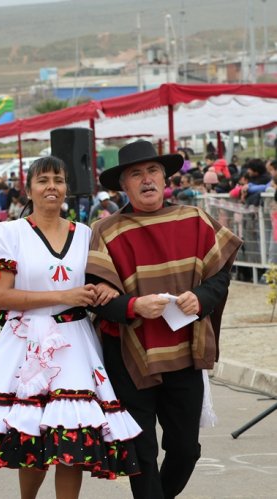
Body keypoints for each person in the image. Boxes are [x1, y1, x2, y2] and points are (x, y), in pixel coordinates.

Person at [0, 157, 141, 499]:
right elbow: (1, 296)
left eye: (59, 180)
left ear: (67, 187)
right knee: (32, 433)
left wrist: (105, 290)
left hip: (76, 341)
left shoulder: (85, 233)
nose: (52, 186)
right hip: (27, 343)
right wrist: (65, 294)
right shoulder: (10, 231)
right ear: (29, 188)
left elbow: (103, 280)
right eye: (43, 180)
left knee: (73, 436)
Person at [86, 140, 242, 499]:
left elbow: (220, 276)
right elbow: (97, 298)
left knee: (186, 449)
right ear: (123, 185)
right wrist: (132, 306)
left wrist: (200, 298)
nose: (146, 180)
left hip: (185, 352)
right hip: (128, 355)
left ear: (165, 177)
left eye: (153, 170)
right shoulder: (106, 229)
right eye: (136, 174)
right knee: (142, 453)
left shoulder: (195, 218)